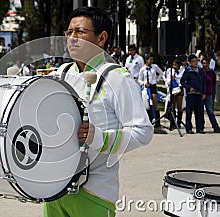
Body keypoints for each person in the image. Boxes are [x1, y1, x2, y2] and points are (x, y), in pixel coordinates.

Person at [46, 7, 153, 217]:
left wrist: (101, 139)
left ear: (101, 38)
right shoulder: (61, 73)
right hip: (55, 188)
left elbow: (143, 131)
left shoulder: (118, 78)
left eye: (80, 32)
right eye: (69, 32)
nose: (72, 38)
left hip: (94, 191)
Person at [138, 53, 166, 134]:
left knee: (155, 103)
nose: (151, 61)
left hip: (153, 86)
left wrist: (156, 81)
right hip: (146, 87)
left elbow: (161, 73)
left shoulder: (155, 67)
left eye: (152, 60)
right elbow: (139, 79)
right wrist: (143, 83)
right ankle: (148, 121)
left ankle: (157, 122)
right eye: (150, 59)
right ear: (146, 60)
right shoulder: (142, 69)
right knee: (147, 104)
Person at [180, 54, 206, 134]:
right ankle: (189, 128)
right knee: (189, 112)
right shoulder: (188, 70)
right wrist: (188, 88)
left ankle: (200, 128)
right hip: (191, 94)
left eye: (196, 61)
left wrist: (204, 92)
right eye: (193, 61)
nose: (195, 63)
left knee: (199, 112)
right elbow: (182, 82)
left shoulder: (201, 70)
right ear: (190, 63)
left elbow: (204, 82)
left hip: (199, 93)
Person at [202, 58, 220, 133]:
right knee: (200, 112)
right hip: (201, 95)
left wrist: (210, 91)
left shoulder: (212, 73)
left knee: (210, 111)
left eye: (206, 63)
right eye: (203, 63)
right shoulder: (201, 72)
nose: (205, 65)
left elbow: (213, 83)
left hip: (209, 94)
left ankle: (215, 126)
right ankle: (201, 127)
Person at [163, 58, 184, 130]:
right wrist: (171, 79)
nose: (174, 67)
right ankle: (173, 123)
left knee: (179, 106)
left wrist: (176, 79)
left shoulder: (182, 70)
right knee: (172, 106)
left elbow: (182, 80)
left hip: (179, 89)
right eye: (173, 65)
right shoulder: (170, 70)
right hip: (172, 89)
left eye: (175, 65)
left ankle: (179, 122)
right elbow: (167, 81)